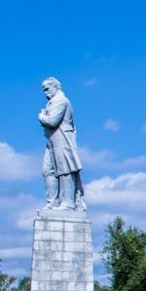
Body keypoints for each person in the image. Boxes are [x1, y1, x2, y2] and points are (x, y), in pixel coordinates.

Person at [38, 77, 86, 211]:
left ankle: (69, 203)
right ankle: (52, 202)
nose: (45, 93)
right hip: (52, 141)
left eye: (47, 89)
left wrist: (41, 117)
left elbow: (52, 121)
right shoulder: (53, 102)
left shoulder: (61, 101)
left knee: (65, 170)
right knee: (48, 171)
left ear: (55, 87)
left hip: (62, 139)